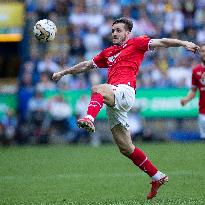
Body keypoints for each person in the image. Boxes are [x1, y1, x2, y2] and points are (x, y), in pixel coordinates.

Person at [52, 17, 199, 200]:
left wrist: (184, 42)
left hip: (125, 91)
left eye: (119, 30)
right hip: (114, 97)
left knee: (97, 88)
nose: (114, 33)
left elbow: (162, 41)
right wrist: (63, 72)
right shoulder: (109, 52)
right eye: (113, 30)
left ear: (128, 33)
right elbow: (87, 65)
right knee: (125, 147)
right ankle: (157, 176)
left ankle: (89, 118)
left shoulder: (137, 43)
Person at [180, 44, 205, 139]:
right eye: (202, 51)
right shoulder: (196, 71)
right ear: (200, 53)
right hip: (203, 111)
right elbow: (194, 90)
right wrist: (186, 99)